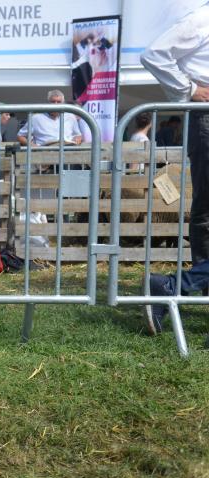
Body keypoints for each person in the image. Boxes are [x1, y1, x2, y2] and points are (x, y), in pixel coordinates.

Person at [140, 2, 209, 337]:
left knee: (206, 214)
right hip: (207, 116)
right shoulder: (201, 19)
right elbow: (154, 54)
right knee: (206, 215)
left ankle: (174, 287)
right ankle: (172, 286)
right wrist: (191, 90)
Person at [16, 90, 83, 146]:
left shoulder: (70, 116)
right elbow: (20, 136)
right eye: (53, 102)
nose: (55, 105)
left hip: (68, 150)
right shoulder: (36, 118)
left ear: (63, 103)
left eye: (58, 102)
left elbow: (78, 135)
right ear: (48, 103)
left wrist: (77, 139)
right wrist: (33, 146)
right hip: (45, 151)